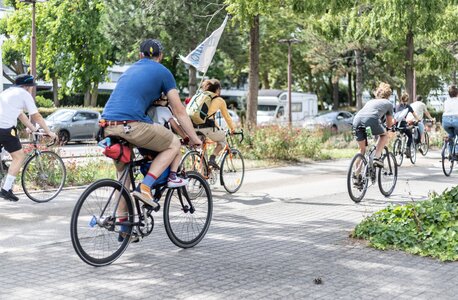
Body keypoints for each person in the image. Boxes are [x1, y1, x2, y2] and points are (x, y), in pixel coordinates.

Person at [101, 39, 201, 209]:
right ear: (160, 56)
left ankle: (124, 226)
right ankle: (146, 186)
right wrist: (193, 137)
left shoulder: (128, 71)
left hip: (107, 126)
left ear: (140, 55)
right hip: (131, 125)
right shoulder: (164, 73)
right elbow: (179, 110)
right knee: (173, 144)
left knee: (123, 178)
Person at [0, 74, 57, 201]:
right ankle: (5, 189)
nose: (31, 89)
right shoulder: (24, 94)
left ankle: (6, 182)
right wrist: (49, 132)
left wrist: (33, 129)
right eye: (31, 87)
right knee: (19, 156)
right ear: (27, 86)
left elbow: (21, 115)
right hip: (4, 130)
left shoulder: (7, 92)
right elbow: (36, 116)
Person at [188, 79, 235, 168]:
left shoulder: (199, 96)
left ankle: (201, 175)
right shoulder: (219, 100)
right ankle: (212, 159)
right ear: (217, 89)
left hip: (192, 127)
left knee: (200, 151)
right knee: (222, 141)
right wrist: (232, 129)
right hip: (206, 127)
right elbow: (227, 117)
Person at [352, 82, 395, 168]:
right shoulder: (388, 104)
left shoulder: (371, 101)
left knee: (362, 150)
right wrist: (390, 128)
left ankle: (356, 175)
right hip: (371, 121)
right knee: (384, 135)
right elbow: (389, 124)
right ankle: (377, 157)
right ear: (388, 95)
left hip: (357, 120)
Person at [394, 93, 420, 158]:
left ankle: (398, 145)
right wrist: (418, 120)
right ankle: (407, 150)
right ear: (407, 100)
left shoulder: (396, 106)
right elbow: (415, 115)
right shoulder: (408, 106)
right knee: (410, 136)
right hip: (403, 124)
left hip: (396, 124)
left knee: (400, 133)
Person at [442, 85, 458, 154]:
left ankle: (450, 153)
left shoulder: (446, 101)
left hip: (445, 121)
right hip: (456, 120)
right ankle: (457, 151)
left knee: (451, 135)